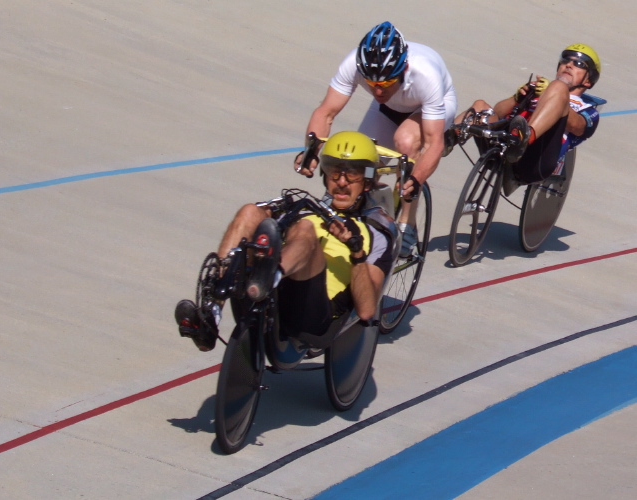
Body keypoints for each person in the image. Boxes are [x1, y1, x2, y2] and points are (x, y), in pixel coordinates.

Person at [175, 131, 396, 352]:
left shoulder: (375, 233)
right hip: (272, 295)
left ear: (367, 182)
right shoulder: (307, 210)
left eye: (352, 175)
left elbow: (366, 310)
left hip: (313, 315)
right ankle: (211, 313)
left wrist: (356, 251)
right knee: (251, 211)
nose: (341, 182)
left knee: (305, 230)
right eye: (334, 172)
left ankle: (269, 277)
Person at [295, 21, 456, 257]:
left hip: (430, 106)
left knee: (405, 141)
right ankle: (363, 208)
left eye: (385, 84)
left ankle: (407, 223)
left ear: (404, 68)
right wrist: (311, 150)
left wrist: (417, 179)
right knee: (361, 158)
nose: (378, 91)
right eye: (371, 85)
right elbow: (326, 112)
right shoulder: (354, 65)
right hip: (390, 108)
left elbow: (434, 143)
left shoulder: (425, 75)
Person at [445, 44, 602, 195]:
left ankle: (523, 139)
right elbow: (497, 113)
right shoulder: (541, 90)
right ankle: (442, 143)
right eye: (565, 60)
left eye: (579, 64)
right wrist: (517, 98)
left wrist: (555, 91)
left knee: (558, 87)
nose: (569, 65)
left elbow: (578, 126)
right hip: (505, 143)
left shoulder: (587, 109)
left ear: (588, 80)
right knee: (480, 106)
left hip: (535, 160)